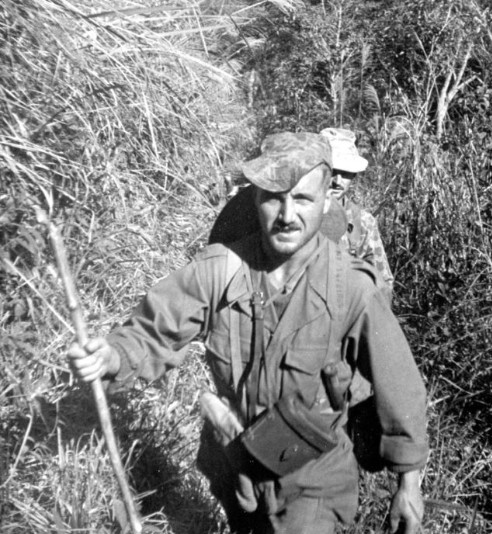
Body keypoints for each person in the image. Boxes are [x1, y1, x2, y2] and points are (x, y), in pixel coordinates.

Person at [67, 132, 428, 534]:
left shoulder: (353, 288)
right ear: (255, 198)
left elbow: (399, 385)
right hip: (236, 467)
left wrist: (408, 483)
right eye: (274, 197)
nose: (287, 214)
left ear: (327, 202)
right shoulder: (221, 268)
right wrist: (112, 356)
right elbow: (154, 331)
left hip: (314, 476)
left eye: (303, 199)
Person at [320, 128, 394, 303]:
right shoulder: (296, 216)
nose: (337, 182)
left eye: (345, 174)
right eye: (332, 171)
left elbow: (383, 284)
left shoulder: (363, 222)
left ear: (354, 175)